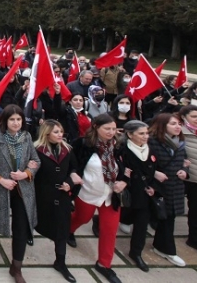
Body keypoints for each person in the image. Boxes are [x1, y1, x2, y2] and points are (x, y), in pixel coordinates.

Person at [0, 104, 40, 283]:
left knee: (20, 227)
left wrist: (26, 173)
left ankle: (16, 267)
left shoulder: (27, 137)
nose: (15, 123)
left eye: (19, 119)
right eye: (12, 119)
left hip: (22, 189)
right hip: (0, 187)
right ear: (5, 121)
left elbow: (35, 160)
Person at [68, 114, 127, 283]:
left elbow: (128, 168)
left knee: (109, 230)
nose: (111, 132)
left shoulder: (119, 146)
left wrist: (124, 181)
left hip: (110, 196)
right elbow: (72, 163)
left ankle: (104, 264)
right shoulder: (83, 144)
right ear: (95, 127)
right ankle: (68, 231)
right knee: (82, 218)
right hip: (87, 193)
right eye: (107, 129)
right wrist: (73, 175)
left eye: (113, 129)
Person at [33, 120, 80, 282]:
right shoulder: (37, 150)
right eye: (56, 132)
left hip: (62, 196)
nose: (60, 135)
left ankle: (60, 262)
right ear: (46, 134)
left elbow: (74, 169)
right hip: (43, 197)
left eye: (61, 131)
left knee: (62, 230)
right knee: (39, 223)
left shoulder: (67, 149)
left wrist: (70, 183)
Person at [115, 120, 159, 272]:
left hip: (145, 194)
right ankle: (97, 220)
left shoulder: (151, 150)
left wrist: (153, 187)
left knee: (141, 224)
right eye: (141, 133)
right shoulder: (122, 151)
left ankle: (136, 253)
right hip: (130, 192)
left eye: (147, 133)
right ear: (130, 134)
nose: (145, 136)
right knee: (125, 215)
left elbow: (155, 171)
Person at [148, 113, 188, 266]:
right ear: (162, 126)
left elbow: (184, 160)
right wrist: (154, 172)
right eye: (173, 124)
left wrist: (185, 171)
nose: (178, 127)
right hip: (156, 186)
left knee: (168, 218)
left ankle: (165, 249)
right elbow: (143, 163)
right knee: (142, 215)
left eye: (179, 124)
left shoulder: (180, 142)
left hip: (174, 185)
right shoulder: (153, 142)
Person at [180, 104, 197, 253]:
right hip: (184, 177)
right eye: (194, 116)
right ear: (184, 117)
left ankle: (195, 240)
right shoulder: (179, 132)